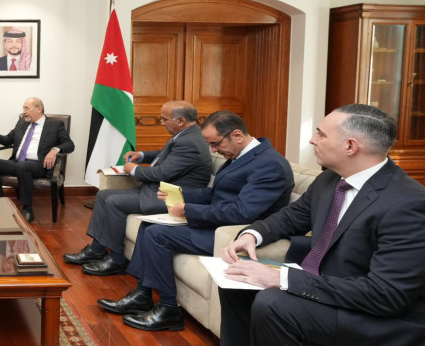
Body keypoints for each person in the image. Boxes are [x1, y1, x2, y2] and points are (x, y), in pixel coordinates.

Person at [186, 104, 425, 346]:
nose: (312, 139)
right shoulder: (331, 180)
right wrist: (252, 235)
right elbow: (291, 217)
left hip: (403, 323)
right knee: (237, 280)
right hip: (347, 292)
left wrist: (281, 277)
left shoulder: (412, 207)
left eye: (320, 134)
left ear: (350, 146)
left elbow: (386, 295)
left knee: (274, 302)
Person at [98, 111, 294, 333]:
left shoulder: (270, 165)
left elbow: (242, 213)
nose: (213, 151)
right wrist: (181, 195)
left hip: (234, 235)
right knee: (148, 224)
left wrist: (187, 211)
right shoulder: (240, 156)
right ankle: (142, 295)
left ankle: (168, 309)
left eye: (215, 144)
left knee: (157, 234)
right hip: (218, 224)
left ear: (237, 135)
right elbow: (216, 195)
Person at [63, 101, 212, 275]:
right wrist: (141, 155)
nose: (162, 122)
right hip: (156, 190)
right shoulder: (186, 135)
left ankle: (116, 259)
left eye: (164, 119)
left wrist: (134, 169)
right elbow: (165, 155)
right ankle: (96, 250)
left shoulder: (190, 142)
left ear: (180, 121)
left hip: (171, 198)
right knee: (103, 196)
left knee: (114, 202)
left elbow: (162, 173)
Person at [0, 97, 74, 223]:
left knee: (23, 166)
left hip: (39, 165)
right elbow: (8, 140)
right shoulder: (22, 123)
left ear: (39, 109)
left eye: (27, 108)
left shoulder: (55, 125)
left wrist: (54, 150)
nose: (24, 112)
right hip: (18, 162)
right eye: (23, 109)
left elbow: (69, 144)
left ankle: (27, 209)